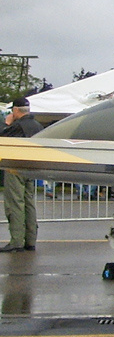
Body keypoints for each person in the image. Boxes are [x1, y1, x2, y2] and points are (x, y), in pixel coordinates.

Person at [2, 96, 42, 252]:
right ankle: (31, 239)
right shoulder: (37, 125)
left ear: (16, 110)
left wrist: (6, 123)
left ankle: (17, 241)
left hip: (15, 166)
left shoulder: (17, 126)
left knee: (15, 203)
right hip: (31, 167)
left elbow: (3, 138)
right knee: (29, 203)